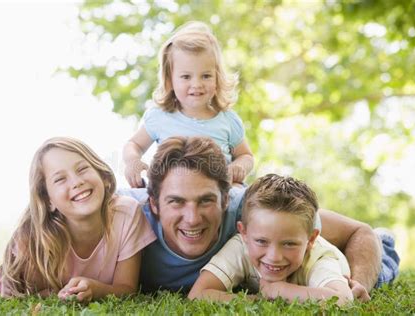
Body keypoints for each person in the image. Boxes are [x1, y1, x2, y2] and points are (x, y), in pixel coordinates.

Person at [120, 136, 399, 300]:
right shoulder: (127, 218)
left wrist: (358, 280)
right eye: (176, 202)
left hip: (323, 263)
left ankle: (386, 242)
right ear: (153, 203)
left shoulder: (253, 211)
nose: (192, 218)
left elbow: (359, 232)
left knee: (377, 263)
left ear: (227, 199)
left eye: (206, 200)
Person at [0, 137, 156, 302]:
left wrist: (96, 290)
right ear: (48, 200)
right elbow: (27, 292)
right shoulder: (37, 240)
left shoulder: (127, 213)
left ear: (103, 176)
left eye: (82, 169)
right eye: (60, 179)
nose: (77, 182)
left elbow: (127, 290)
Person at [123, 21, 253, 188]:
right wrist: (133, 161)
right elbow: (133, 144)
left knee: (245, 198)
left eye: (206, 76)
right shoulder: (160, 117)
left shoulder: (227, 120)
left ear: (217, 78)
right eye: (186, 77)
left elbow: (246, 155)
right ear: (170, 80)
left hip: (217, 196)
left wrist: (238, 166)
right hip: (172, 196)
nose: (197, 84)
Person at [188, 174, 353, 306]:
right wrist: (260, 300)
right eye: (261, 241)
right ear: (244, 233)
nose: (274, 256)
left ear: (311, 240)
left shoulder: (318, 258)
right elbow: (198, 294)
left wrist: (279, 290)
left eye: (289, 244)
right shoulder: (240, 246)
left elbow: (343, 300)